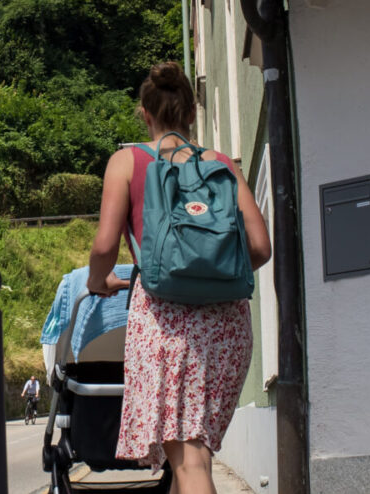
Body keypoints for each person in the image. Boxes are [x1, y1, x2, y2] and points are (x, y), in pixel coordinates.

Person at [86, 62, 271, 494]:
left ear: (145, 115)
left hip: (164, 325)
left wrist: (99, 281)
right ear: (191, 114)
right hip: (226, 328)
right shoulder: (222, 165)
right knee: (193, 459)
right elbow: (260, 247)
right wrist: (213, 275)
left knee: (189, 465)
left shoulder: (126, 162)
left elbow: (103, 246)